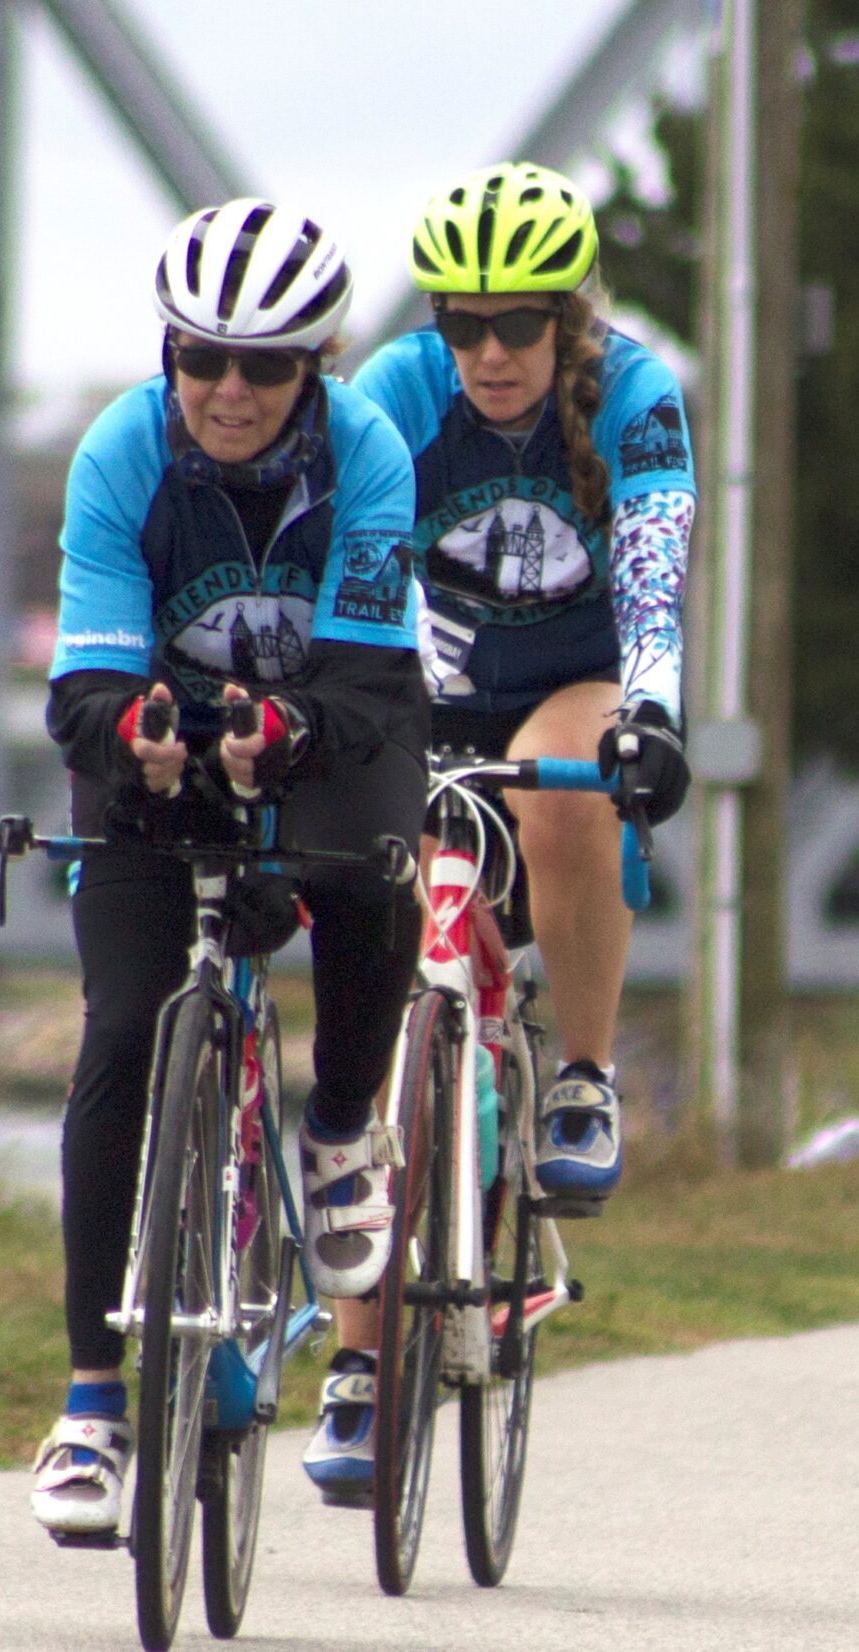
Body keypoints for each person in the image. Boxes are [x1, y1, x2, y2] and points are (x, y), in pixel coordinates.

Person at [30, 201, 427, 1537]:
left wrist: (287, 749)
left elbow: (371, 676)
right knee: (124, 1033)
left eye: (264, 366)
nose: (229, 390)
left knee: (375, 881)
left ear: (315, 367)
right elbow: (85, 677)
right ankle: (93, 1403)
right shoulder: (121, 451)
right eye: (202, 357)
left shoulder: (369, 453)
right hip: (157, 751)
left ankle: (334, 1131)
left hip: (328, 726)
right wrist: (137, 742)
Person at [310, 162, 692, 1491]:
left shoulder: (631, 397)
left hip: (574, 681)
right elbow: (363, 574)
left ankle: (581, 1076)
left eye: (517, 325)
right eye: (464, 324)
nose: (489, 354)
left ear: (566, 321)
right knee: (382, 991)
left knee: (562, 775)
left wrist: (654, 715)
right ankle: (358, 1363)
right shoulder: (397, 396)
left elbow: (652, 586)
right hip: (435, 675)